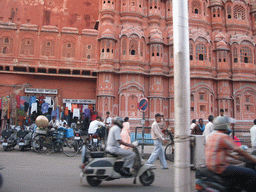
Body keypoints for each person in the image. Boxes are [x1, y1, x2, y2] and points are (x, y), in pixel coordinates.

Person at [205, 116, 256, 192]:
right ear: (224, 125)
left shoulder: (212, 136)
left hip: (211, 166)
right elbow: (238, 150)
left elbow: (219, 150)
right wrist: (253, 159)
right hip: (221, 168)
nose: (229, 126)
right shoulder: (223, 137)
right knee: (251, 173)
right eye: (228, 124)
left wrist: (235, 157)